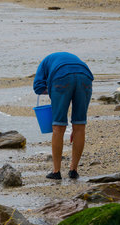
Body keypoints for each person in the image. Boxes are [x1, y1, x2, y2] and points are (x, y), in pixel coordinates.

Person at [33, 52, 93, 180]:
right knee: (79, 125)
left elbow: (37, 86)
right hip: (85, 75)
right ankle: (73, 170)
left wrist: (55, 93)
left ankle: (56, 172)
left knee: (58, 127)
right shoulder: (68, 58)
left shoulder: (44, 63)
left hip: (61, 77)